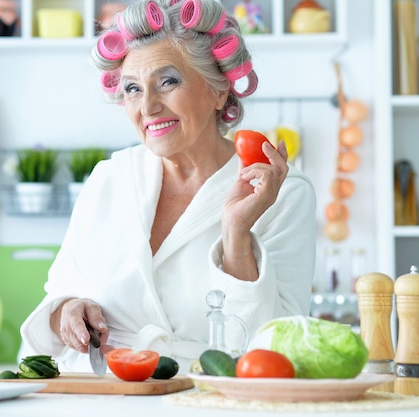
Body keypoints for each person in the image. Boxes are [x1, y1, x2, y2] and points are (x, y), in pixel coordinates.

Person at [20, 0, 316, 373]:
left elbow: (278, 348)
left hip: (207, 398)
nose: (148, 106)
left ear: (219, 89)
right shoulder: (108, 179)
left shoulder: (282, 193)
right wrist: (65, 313)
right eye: (132, 89)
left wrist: (236, 234)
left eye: (168, 81)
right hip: (100, 395)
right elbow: (57, 299)